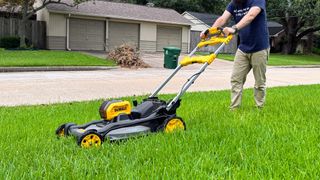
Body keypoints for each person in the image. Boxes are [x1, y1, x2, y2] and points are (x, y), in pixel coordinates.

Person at [201, 0, 270, 110]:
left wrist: (234, 28)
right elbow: (223, 19)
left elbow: (251, 15)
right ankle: (234, 109)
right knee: (236, 79)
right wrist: (209, 32)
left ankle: (259, 108)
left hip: (259, 48)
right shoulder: (233, 4)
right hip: (243, 48)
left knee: (259, 82)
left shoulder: (257, 0)